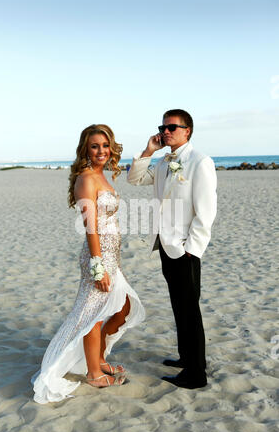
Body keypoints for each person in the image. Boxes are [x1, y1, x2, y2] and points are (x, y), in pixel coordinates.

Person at [31, 124, 145, 403]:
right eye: (95, 146)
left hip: (111, 256)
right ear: (85, 149)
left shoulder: (101, 175)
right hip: (97, 257)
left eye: (105, 145)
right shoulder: (86, 179)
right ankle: (94, 373)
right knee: (92, 315)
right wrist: (98, 266)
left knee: (123, 308)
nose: (102, 151)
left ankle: (97, 358)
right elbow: (90, 227)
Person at [127, 109, 217, 389]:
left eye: (172, 127)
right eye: (163, 127)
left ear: (187, 130)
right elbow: (134, 179)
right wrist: (149, 150)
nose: (166, 132)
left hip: (185, 249)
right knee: (180, 307)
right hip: (165, 245)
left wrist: (193, 248)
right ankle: (187, 358)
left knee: (190, 310)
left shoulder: (199, 162)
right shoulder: (165, 162)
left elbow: (206, 211)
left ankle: (195, 374)